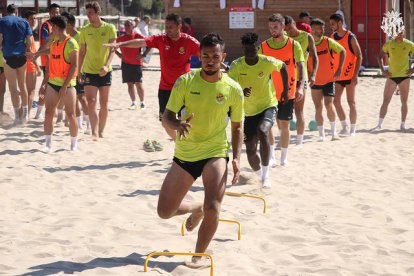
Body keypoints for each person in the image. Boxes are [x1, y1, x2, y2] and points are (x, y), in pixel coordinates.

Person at [158, 32, 243, 267]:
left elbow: (237, 127)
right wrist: (177, 125)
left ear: (223, 57)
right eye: (205, 55)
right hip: (185, 153)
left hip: (215, 152)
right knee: (165, 212)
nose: (210, 60)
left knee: (214, 206)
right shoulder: (185, 81)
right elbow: (167, 116)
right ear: (199, 56)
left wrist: (235, 158)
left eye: (215, 56)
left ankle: (198, 256)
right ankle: (196, 208)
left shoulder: (233, 89)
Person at [104, 13, 200, 141]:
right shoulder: (161, 39)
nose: (167, 29)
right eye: (166, 26)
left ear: (179, 26)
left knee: (187, 119)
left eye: (170, 27)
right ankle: (179, 142)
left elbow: (205, 55)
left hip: (184, 88)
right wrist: (119, 45)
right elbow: (140, 42)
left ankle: (190, 145)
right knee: (165, 122)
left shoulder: (189, 41)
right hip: (165, 88)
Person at [228, 32, 287, 188]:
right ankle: (260, 174)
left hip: (268, 105)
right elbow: (229, 86)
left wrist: (285, 91)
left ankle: (266, 176)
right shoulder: (236, 65)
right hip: (248, 111)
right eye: (247, 49)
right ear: (243, 49)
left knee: (263, 131)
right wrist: (241, 90)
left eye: (253, 49)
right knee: (250, 150)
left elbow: (283, 67)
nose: (250, 53)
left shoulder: (266, 62)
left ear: (258, 48)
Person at [260, 13, 305, 166]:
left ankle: (284, 157)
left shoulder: (294, 45)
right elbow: (258, 68)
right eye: (270, 27)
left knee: (284, 125)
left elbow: (301, 66)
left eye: (276, 27)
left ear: (283, 26)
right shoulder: (264, 46)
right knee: (269, 125)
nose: (272, 30)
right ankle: (272, 155)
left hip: (288, 91)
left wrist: (301, 87)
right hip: (269, 92)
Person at [31, 15, 79, 152]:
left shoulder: (71, 43)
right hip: (53, 82)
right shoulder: (55, 42)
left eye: (52, 29)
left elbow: (74, 66)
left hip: (68, 84)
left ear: (57, 28)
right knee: (48, 113)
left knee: (70, 115)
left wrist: (64, 86)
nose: (51, 32)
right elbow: (50, 51)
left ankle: (74, 144)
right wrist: (36, 54)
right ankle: (47, 144)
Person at [78, 1, 117, 139]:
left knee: (104, 104)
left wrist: (106, 65)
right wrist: (79, 71)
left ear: (98, 13)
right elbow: (81, 52)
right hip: (89, 70)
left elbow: (113, 49)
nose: (88, 15)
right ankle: (94, 131)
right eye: (87, 13)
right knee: (91, 101)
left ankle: (101, 131)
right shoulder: (84, 30)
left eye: (90, 13)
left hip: (105, 71)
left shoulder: (110, 28)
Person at [309, 18, 345, 141]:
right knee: (318, 107)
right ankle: (321, 135)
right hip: (315, 81)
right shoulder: (307, 44)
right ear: (312, 29)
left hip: (329, 79)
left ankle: (334, 133)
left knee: (329, 105)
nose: (322, 31)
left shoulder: (328, 41)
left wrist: (339, 68)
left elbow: (342, 51)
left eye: (323, 28)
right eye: (319, 29)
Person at [284, 15, 318, 146]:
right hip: (286, 78)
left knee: (299, 110)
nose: (289, 32)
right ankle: (285, 139)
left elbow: (315, 58)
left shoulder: (306, 37)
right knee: (286, 111)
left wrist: (313, 74)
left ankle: (299, 141)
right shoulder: (285, 39)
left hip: (301, 78)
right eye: (286, 30)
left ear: (294, 23)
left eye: (290, 28)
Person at [329, 13, 362, 136]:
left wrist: (355, 75)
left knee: (351, 102)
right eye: (330, 24)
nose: (331, 26)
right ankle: (344, 127)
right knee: (336, 101)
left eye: (333, 24)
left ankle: (353, 129)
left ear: (340, 23)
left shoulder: (350, 37)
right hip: (338, 76)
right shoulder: (332, 37)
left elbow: (359, 56)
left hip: (350, 76)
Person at [373, 31, 414, 131]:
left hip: (404, 77)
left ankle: (402, 125)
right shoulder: (389, 44)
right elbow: (379, 57)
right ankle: (379, 125)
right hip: (391, 76)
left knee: (404, 101)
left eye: (400, 33)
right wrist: (383, 71)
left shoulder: (409, 44)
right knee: (386, 101)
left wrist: (412, 70)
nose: (398, 35)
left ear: (404, 33)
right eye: (397, 33)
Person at [0, 4, 33, 125]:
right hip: (21, 56)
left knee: (13, 88)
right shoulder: (24, 22)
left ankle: (17, 118)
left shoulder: (2, 21)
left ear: (7, 12)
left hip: (9, 56)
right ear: (17, 11)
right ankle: (25, 113)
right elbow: (29, 40)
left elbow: (0, 38)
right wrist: (26, 50)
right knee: (22, 85)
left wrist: (1, 48)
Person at [61, 11, 90, 134]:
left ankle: (89, 124)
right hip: (69, 73)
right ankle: (78, 125)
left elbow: (84, 55)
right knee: (75, 100)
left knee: (82, 98)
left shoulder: (80, 36)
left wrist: (80, 72)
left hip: (81, 71)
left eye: (65, 23)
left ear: (70, 24)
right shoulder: (65, 38)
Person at [34, 3, 60, 120]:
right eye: (54, 12)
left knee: (54, 87)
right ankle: (39, 113)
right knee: (46, 86)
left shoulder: (59, 25)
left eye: (58, 12)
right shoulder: (46, 25)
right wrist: (49, 61)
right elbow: (46, 44)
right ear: (49, 12)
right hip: (48, 61)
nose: (56, 14)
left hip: (59, 60)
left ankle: (52, 112)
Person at [115, 19, 145, 110]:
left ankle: (142, 103)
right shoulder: (121, 39)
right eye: (126, 25)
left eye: (129, 25)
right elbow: (112, 47)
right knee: (130, 85)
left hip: (136, 64)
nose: (127, 26)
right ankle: (133, 103)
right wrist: (119, 54)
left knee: (138, 84)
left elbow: (150, 44)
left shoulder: (138, 36)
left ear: (133, 26)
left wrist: (144, 54)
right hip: (126, 64)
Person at [24, 10, 42, 118]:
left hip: (23, 64)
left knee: (25, 90)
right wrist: (38, 67)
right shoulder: (28, 33)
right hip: (30, 64)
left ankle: (23, 113)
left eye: (35, 18)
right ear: (26, 20)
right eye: (32, 18)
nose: (34, 21)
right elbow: (30, 53)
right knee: (31, 91)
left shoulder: (23, 31)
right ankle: (26, 115)